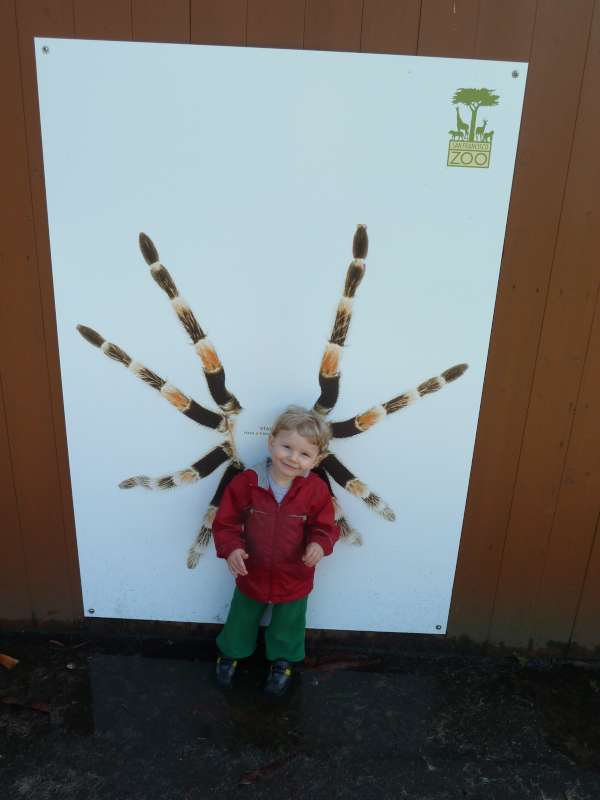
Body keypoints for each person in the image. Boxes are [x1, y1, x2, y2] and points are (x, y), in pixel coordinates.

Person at [212, 405, 340, 695]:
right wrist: (231, 549)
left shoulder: (316, 490)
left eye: (304, 453)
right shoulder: (246, 482)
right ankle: (230, 653)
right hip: (251, 571)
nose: (293, 458)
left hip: (295, 574)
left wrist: (319, 544)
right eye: (287, 447)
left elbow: (326, 526)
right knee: (241, 618)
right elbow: (226, 522)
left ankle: (283, 661)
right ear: (271, 442)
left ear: (317, 459)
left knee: (288, 623)